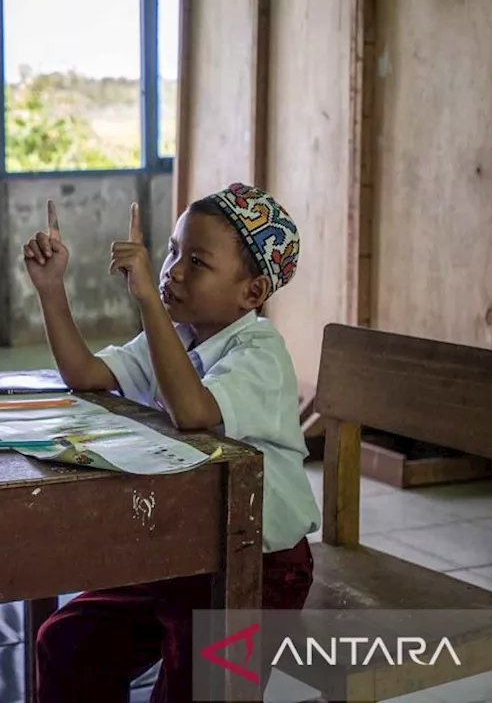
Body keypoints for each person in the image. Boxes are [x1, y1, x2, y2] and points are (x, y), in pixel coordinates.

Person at [22, 183, 320, 703]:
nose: (172, 270)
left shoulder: (261, 356)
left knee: (197, 689)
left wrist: (147, 304)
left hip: (259, 567)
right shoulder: (178, 335)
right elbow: (86, 373)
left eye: (197, 262)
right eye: (173, 251)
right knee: (67, 642)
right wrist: (52, 289)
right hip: (185, 551)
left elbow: (194, 412)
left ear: (251, 293)